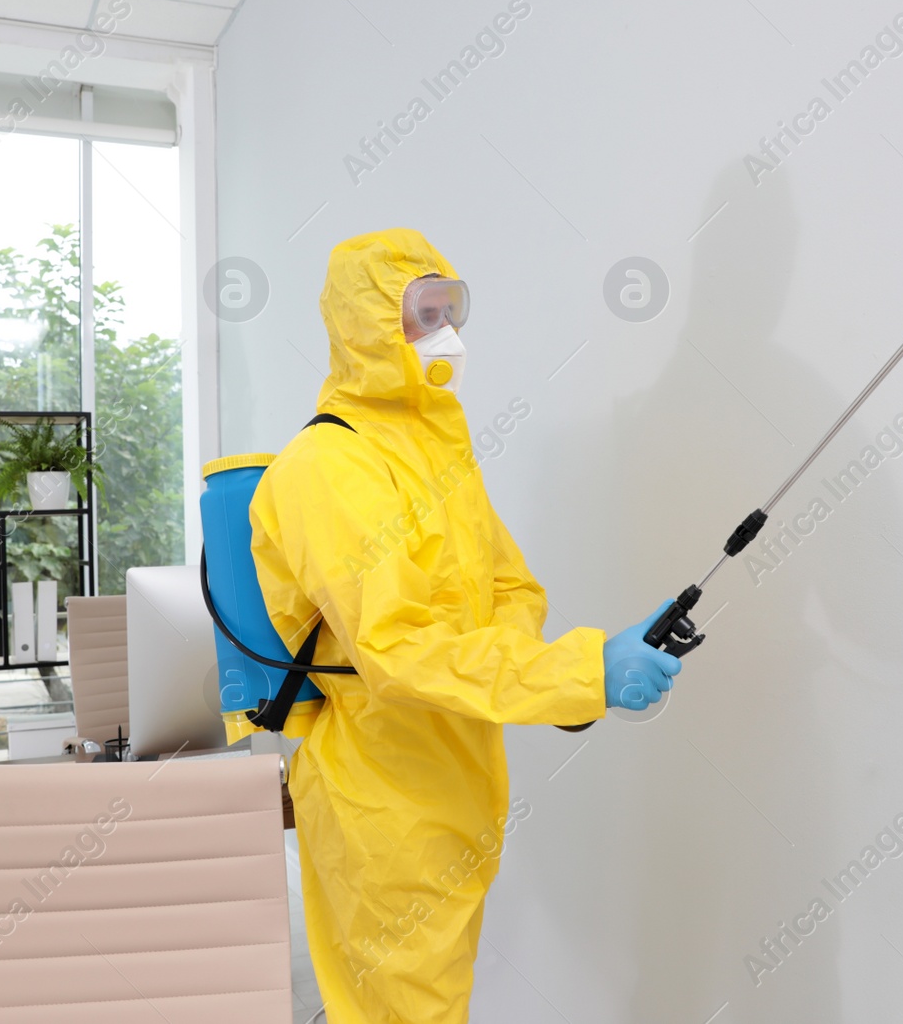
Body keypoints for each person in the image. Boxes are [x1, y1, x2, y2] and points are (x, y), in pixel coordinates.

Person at [249, 228, 682, 1023]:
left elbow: (509, 586)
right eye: (421, 314)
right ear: (366, 324)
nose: (442, 332)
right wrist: (581, 672)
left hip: (460, 783)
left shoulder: (439, 453)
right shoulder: (326, 469)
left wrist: (575, 679)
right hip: (383, 804)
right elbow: (400, 650)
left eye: (451, 310)